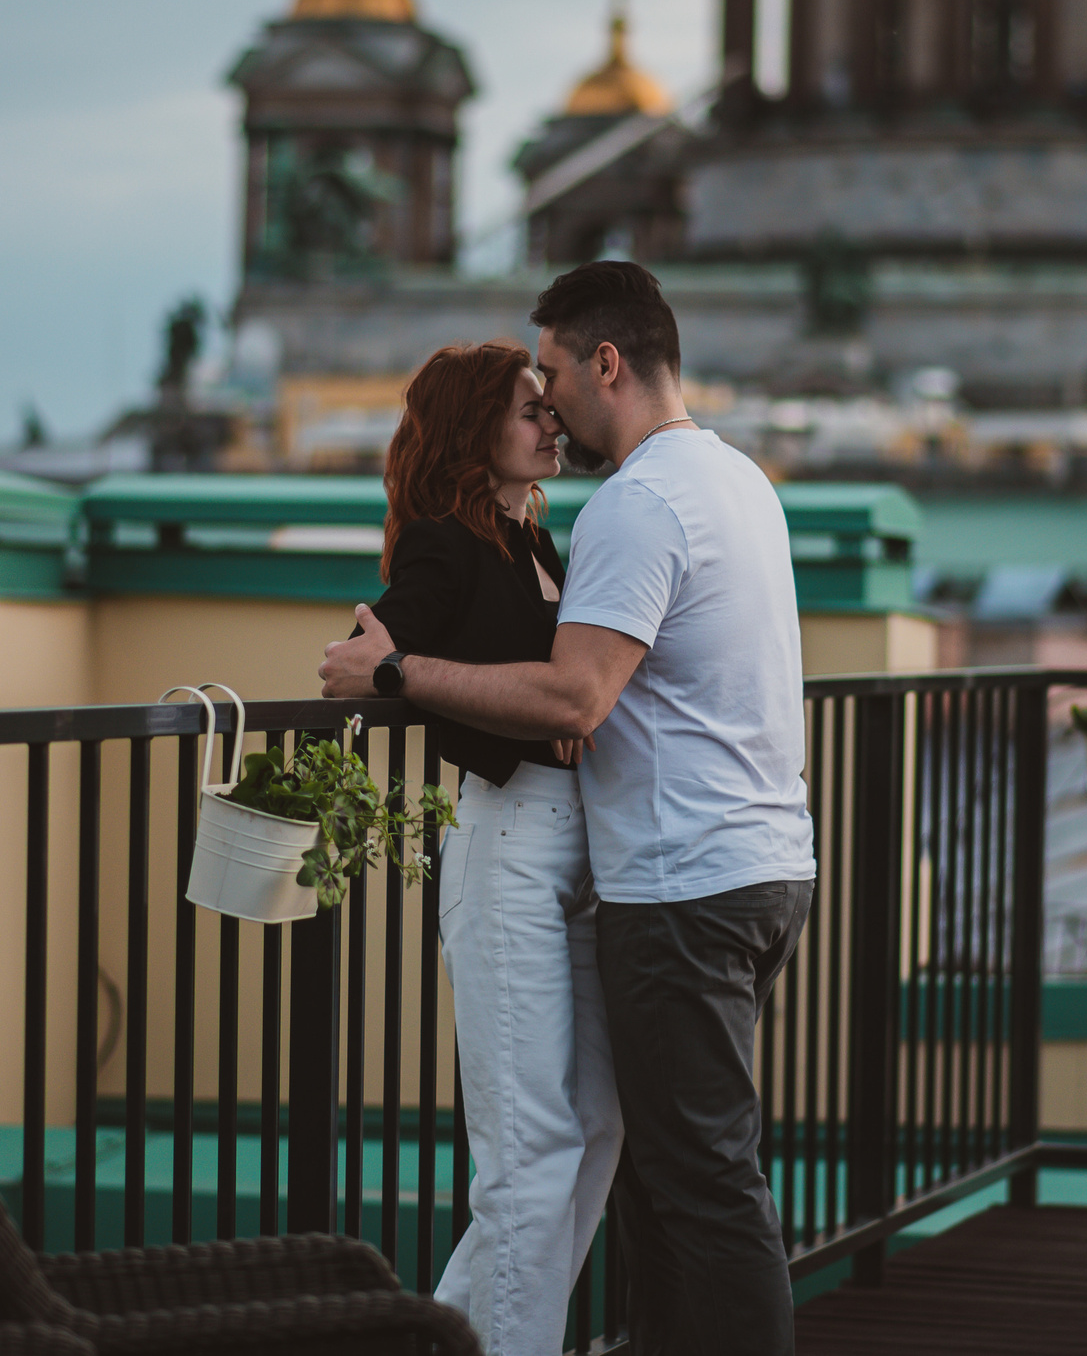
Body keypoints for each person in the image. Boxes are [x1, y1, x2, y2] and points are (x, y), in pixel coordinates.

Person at [325, 261, 815, 1356]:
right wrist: (386, 663)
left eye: (550, 376)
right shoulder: (737, 480)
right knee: (603, 1157)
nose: (547, 405)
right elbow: (393, 632)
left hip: (676, 880)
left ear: (607, 361)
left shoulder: (629, 505)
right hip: (687, 862)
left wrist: (404, 677)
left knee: (679, 1175)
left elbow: (576, 692)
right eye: (524, 396)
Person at [360, 339, 622, 1356]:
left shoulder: (541, 547)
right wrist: (524, 718)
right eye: (529, 408)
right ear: (475, 427)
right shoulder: (442, 541)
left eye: (548, 406)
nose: (550, 421)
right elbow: (387, 661)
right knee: (529, 1153)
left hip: (584, 856)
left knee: (596, 1131)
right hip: (509, 843)